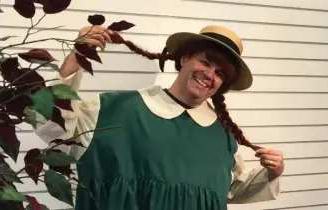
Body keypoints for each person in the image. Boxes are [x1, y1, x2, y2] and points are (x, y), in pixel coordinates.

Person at [34, 25, 284, 210]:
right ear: (184, 59)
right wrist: (75, 59)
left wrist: (272, 173)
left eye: (220, 73)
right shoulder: (111, 110)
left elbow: (230, 188)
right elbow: (53, 129)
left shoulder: (222, 134)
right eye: (205, 62)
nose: (209, 75)